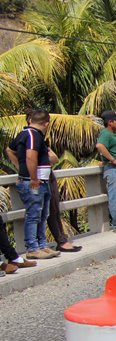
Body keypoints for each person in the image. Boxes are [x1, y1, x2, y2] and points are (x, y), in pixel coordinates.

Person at [10, 109, 58, 257]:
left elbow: (9, 149)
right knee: (34, 215)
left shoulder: (31, 135)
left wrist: (20, 166)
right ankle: (32, 248)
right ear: (46, 123)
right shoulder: (32, 135)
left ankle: (42, 245)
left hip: (41, 181)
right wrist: (32, 177)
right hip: (34, 182)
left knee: (43, 214)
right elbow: (31, 157)